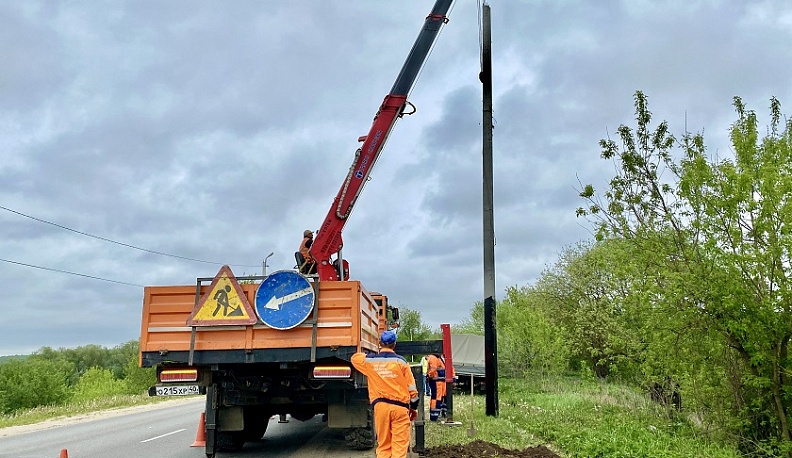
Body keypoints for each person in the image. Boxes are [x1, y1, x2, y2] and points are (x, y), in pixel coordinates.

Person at [351, 330, 419, 458]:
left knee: (383, 445)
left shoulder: (369, 362)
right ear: (394, 344)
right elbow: (413, 391)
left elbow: (354, 358)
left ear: (380, 343)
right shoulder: (402, 362)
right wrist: (414, 409)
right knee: (399, 447)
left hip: (380, 408)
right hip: (400, 409)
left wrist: (370, 354)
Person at [426, 353, 445, 421]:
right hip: (436, 381)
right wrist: (431, 376)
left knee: (437, 398)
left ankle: (435, 415)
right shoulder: (434, 358)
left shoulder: (437, 358)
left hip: (438, 381)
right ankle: (434, 416)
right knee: (436, 398)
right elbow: (433, 370)